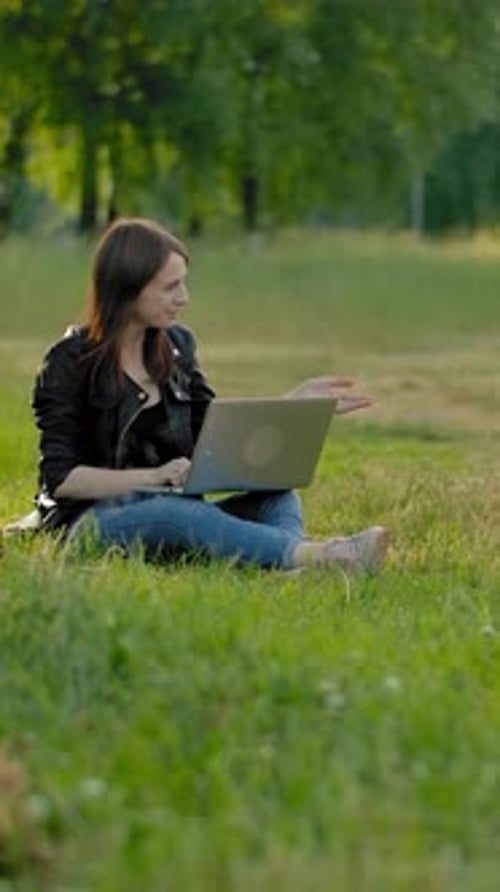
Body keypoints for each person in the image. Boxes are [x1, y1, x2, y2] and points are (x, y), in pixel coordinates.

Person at [28, 217, 388, 574]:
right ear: (129, 287)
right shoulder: (69, 361)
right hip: (89, 523)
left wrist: (293, 404)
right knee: (175, 514)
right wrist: (154, 477)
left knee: (278, 498)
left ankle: (286, 566)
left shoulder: (177, 347)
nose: (184, 298)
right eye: (171, 287)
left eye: (183, 284)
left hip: (179, 512)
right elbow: (61, 479)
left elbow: (213, 435)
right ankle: (324, 556)